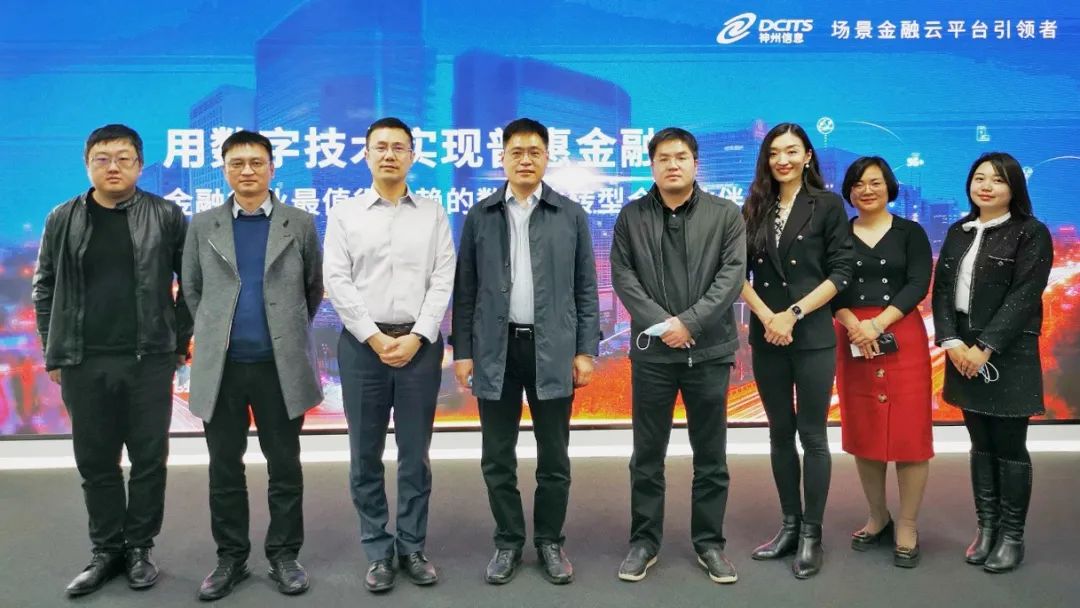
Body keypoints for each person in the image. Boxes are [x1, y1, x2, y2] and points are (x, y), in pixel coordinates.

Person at [31, 124, 192, 596]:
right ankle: (106, 550)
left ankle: (139, 547)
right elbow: (45, 286)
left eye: (124, 158)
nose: (113, 166)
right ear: (88, 165)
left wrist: (176, 343)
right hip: (83, 361)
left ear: (139, 165)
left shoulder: (166, 215)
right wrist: (54, 350)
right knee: (95, 460)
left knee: (148, 459)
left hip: (148, 359)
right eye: (102, 158)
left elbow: (191, 285)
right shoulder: (62, 217)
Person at [451, 117, 600, 585]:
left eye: (535, 151)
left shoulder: (570, 214)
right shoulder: (480, 215)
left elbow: (586, 288)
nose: (525, 160)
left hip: (552, 350)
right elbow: (465, 289)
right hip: (496, 351)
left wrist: (585, 350)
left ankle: (550, 541)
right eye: (516, 152)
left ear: (547, 157)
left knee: (554, 456)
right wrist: (463, 351)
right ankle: (508, 542)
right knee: (497, 456)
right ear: (502, 158)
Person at [183, 130, 323, 600]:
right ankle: (231, 558)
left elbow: (311, 289)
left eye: (256, 162)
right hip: (221, 368)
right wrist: (217, 329)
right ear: (224, 170)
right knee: (224, 467)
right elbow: (193, 289)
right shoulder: (202, 225)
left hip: (278, 367)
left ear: (271, 168)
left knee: (284, 466)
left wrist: (281, 330)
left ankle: (284, 555)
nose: (247, 170)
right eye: (237, 163)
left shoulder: (299, 223)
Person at [324, 117, 456, 593]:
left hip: (420, 348)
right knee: (365, 455)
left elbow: (443, 278)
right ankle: (378, 551)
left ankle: (412, 546)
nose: (389, 155)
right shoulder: (344, 214)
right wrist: (375, 338)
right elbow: (336, 280)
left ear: (412, 156)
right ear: (365, 155)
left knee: (415, 455)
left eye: (399, 147)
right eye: (380, 147)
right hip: (363, 349)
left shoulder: (433, 214)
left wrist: (418, 336)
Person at [609, 127, 746, 584]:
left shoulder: (725, 214)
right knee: (647, 455)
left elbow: (731, 275)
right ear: (651, 165)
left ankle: (709, 543)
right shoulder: (631, 216)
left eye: (681, 156)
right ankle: (644, 542)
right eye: (664, 158)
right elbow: (624, 277)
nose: (673, 164)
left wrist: (690, 323)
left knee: (711, 456)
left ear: (695, 163)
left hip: (709, 353)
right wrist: (665, 326)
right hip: (653, 355)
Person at [740, 122, 852, 579]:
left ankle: (811, 534)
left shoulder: (827, 205)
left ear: (807, 156)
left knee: (813, 435)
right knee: (779, 433)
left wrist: (793, 314)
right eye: (773, 153)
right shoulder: (755, 206)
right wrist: (769, 317)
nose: (782, 160)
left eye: (791, 151)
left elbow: (841, 272)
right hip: (767, 335)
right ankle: (789, 525)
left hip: (811, 336)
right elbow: (734, 273)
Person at [932, 152, 1053, 574]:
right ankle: (986, 529)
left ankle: (1012, 536)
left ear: (1013, 187)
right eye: (979, 178)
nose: (986, 186)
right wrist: (952, 342)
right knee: (980, 442)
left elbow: (1024, 296)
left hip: (1008, 352)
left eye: (997, 180)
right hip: (961, 349)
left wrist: (984, 347)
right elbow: (942, 291)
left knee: (1009, 445)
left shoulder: (1030, 233)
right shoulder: (958, 232)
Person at [832, 156, 933, 567]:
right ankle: (878, 516)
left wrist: (878, 325)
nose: (866, 190)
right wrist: (855, 325)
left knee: (910, 434)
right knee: (865, 431)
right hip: (851, 333)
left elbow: (918, 283)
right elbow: (829, 286)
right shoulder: (838, 234)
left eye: (875, 182)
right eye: (858, 184)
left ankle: (907, 523)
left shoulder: (911, 232)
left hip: (901, 333)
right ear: (849, 191)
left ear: (889, 187)